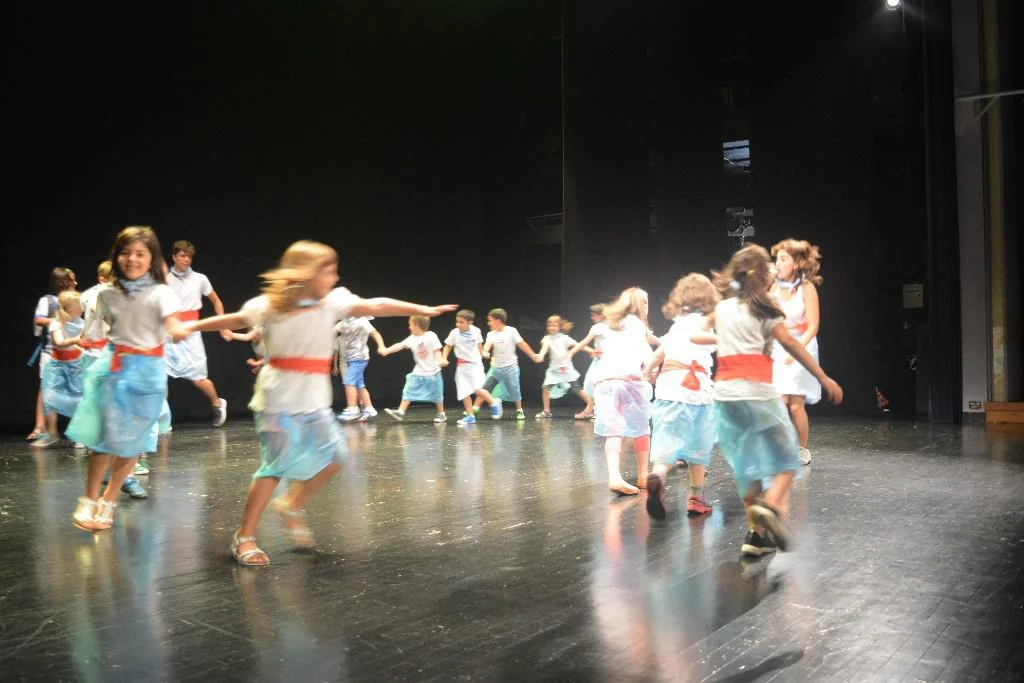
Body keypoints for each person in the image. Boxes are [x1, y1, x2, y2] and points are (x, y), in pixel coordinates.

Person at [169, 239, 456, 565]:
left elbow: (376, 305)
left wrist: (420, 309)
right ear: (306, 273)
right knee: (274, 468)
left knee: (336, 455)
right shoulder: (270, 306)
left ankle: (291, 503)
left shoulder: (333, 302)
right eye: (328, 272)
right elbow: (234, 320)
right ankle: (244, 537)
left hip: (314, 401)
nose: (335, 278)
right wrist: (191, 326)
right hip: (278, 400)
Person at [707, 244, 842, 557]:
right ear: (763, 276)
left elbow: (700, 333)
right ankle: (769, 505)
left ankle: (756, 537)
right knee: (787, 459)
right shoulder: (767, 310)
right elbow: (792, 344)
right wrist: (823, 378)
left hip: (724, 396)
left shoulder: (723, 308)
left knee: (746, 467)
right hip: (756, 392)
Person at [68, 226, 188, 531]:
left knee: (133, 442)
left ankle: (108, 500)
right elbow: (98, 330)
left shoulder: (162, 293)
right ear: (117, 256)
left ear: (151, 258)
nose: (132, 259)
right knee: (105, 438)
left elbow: (173, 323)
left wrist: (176, 329)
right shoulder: (106, 294)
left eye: (140, 254)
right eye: (126, 253)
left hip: (148, 373)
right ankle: (88, 498)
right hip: (116, 367)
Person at [643, 274, 719, 518]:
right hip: (696, 391)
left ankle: (658, 475)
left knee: (667, 442)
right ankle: (696, 498)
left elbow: (658, 355)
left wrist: (648, 372)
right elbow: (703, 340)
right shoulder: (705, 322)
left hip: (668, 389)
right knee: (699, 446)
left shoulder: (676, 326)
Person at [589, 288, 654, 496]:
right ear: (639, 305)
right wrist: (652, 371)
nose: (647, 306)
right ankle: (643, 476)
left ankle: (614, 477)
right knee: (642, 428)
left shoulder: (612, 324)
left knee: (614, 430)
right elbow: (645, 355)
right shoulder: (637, 325)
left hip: (605, 382)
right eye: (645, 302)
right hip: (629, 381)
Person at [165, 240, 231, 427]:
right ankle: (162, 419)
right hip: (169, 330)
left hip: (191, 331)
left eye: (189, 256)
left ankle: (217, 403)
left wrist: (223, 325)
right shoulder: (164, 279)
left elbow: (216, 301)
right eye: (182, 255)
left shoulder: (200, 278)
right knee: (159, 375)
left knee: (198, 378)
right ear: (174, 257)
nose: (186, 260)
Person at [770, 239, 824, 466]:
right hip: (779, 348)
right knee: (778, 402)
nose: (778, 263)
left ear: (797, 263)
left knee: (795, 404)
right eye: (777, 259)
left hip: (802, 347)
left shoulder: (806, 288)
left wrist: (796, 351)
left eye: (783, 259)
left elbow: (813, 326)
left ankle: (801, 448)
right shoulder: (774, 288)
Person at [28, 267, 77, 440]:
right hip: (51, 351)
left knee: (76, 389)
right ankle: (41, 427)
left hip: (73, 352)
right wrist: (58, 320)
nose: (75, 282)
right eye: (72, 279)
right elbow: (39, 319)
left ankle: (77, 430)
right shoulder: (48, 301)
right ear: (63, 281)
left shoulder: (75, 300)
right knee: (46, 388)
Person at [33, 291, 86, 448]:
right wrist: (76, 340)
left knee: (79, 399)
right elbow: (59, 342)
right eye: (79, 306)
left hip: (76, 366)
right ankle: (52, 433)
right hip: (57, 366)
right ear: (69, 308)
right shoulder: (56, 323)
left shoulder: (82, 323)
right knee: (49, 398)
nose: (82, 309)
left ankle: (79, 435)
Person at [380, 316, 448, 423]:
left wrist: (440, 360)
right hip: (418, 371)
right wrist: (387, 350)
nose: (409, 327)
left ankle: (441, 414)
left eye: (410, 324)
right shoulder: (412, 338)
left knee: (437, 395)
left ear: (417, 325)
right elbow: (400, 345)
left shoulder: (431, 335)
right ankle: (401, 411)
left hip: (433, 372)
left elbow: (437, 350)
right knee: (409, 389)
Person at [477, 308, 538, 421]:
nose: (488, 323)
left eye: (490, 320)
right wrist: (485, 352)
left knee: (514, 390)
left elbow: (522, 344)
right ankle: (484, 407)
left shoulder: (511, 331)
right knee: (486, 388)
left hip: (511, 368)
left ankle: (519, 410)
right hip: (496, 369)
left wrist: (533, 355)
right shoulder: (491, 334)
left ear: (498, 320)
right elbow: (487, 346)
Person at [441, 309, 501, 425]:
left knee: (478, 389)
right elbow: (448, 346)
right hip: (462, 366)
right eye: (457, 322)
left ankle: (493, 402)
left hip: (475, 365)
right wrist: (444, 358)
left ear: (470, 322)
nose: (458, 324)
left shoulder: (476, 331)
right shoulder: (454, 333)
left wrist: (483, 353)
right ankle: (470, 416)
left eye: (461, 322)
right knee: (464, 391)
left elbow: (479, 345)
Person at [532, 315, 591, 419]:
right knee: (545, 388)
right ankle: (546, 411)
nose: (552, 327)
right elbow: (544, 349)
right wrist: (540, 356)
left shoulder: (564, 338)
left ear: (559, 327)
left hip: (567, 369)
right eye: (550, 325)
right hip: (554, 370)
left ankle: (592, 408)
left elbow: (579, 345)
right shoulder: (547, 339)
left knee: (577, 389)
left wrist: (592, 351)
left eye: (554, 325)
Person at [333, 316, 384, 422]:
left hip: (360, 358)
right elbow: (332, 331)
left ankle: (353, 409)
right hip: (351, 359)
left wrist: (381, 346)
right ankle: (369, 408)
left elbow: (375, 333)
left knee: (349, 381)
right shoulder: (344, 322)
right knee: (359, 385)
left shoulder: (362, 321)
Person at [566, 304, 607, 420]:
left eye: (593, 315)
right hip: (603, 360)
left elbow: (584, 342)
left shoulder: (599, 327)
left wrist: (572, 352)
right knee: (595, 384)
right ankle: (591, 410)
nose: (591, 318)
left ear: (601, 315)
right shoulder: (611, 326)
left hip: (605, 362)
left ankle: (594, 411)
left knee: (597, 384)